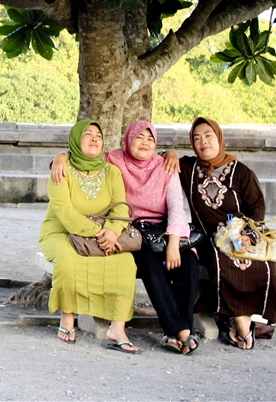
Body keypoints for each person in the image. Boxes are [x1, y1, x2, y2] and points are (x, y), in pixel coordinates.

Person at [52, 120, 201, 354]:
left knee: (189, 265)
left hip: (165, 231)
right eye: (139, 137)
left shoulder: (165, 166)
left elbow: (176, 208)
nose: (145, 143)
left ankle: (180, 330)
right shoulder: (115, 160)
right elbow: (86, 156)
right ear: (128, 139)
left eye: (150, 139)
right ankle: (180, 333)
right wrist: (61, 156)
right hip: (132, 232)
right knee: (151, 267)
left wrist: (173, 243)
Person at [179, 117, 276, 350]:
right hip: (208, 239)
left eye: (208, 136)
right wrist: (167, 155)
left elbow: (257, 207)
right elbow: (164, 160)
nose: (203, 142)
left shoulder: (241, 172)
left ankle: (246, 319)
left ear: (219, 138)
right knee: (221, 262)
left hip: (241, 237)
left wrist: (248, 236)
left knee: (266, 268)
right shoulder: (189, 168)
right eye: (196, 138)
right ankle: (241, 323)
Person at [39, 120, 140, 353]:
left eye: (98, 135)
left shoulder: (112, 172)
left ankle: (117, 327)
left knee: (124, 262)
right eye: (88, 134)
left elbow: (120, 208)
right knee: (67, 261)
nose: (94, 139)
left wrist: (112, 232)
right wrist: (98, 232)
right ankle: (67, 318)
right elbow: (65, 212)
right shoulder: (61, 168)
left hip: (105, 234)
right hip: (61, 232)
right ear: (75, 140)